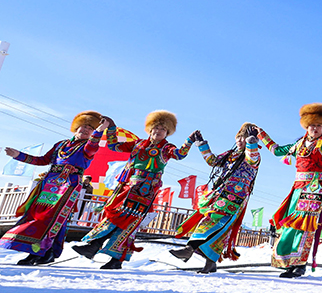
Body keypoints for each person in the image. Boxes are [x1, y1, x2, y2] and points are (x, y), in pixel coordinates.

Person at [74, 111, 198, 269]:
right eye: (156, 128)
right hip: (127, 185)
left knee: (128, 221)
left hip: (145, 190)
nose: (158, 131)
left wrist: (189, 141)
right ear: (150, 130)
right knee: (115, 214)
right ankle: (98, 247)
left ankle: (106, 252)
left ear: (167, 133)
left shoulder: (167, 148)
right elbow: (114, 146)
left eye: (163, 129)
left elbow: (180, 154)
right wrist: (111, 127)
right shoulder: (138, 144)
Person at [1, 111, 104, 265]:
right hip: (49, 183)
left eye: (90, 128)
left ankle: (37, 252)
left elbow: (92, 145)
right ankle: (46, 252)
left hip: (68, 185)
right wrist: (18, 155)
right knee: (38, 215)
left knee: (51, 217)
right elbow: (43, 160)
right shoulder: (60, 145)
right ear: (76, 128)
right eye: (83, 126)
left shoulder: (88, 147)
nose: (86, 130)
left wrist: (100, 130)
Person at [256, 103, 322, 278]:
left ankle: (300, 264)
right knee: (290, 223)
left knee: (305, 225)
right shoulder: (299, 144)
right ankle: (289, 262)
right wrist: (261, 134)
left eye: (319, 125)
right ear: (306, 127)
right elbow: (277, 151)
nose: (315, 129)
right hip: (298, 189)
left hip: (315, 190)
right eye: (312, 125)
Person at [169, 123, 262, 274]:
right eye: (239, 137)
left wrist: (251, 142)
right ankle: (209, 263)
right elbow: (212, 161)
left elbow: (252, 159)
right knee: (216, 228)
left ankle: (189, 249)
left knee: (213, 223)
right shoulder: (230, 154)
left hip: (234, 198)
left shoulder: (253, 154)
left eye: (244, 137)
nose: (240, 140)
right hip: (219, 194)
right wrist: (201, 144)